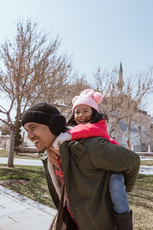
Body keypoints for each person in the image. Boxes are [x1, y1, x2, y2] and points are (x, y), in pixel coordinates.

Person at [21, 102, 140, 230]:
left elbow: (133, 162)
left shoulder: (89, 147)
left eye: (33, 127)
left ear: (54, 125)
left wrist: (118, 191)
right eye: (27, 130)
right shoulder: (49, 156)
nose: (29, 136)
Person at [52, 89, 132, 228]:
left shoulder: (99, 125)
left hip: (112, 163)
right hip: (95, 169)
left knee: (116, 187)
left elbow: (86, 131)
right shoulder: (73, 129)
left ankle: (124, 224)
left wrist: (67, 136)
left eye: (85, 111)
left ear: (93, 113)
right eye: (77, 112)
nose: (81, 115)